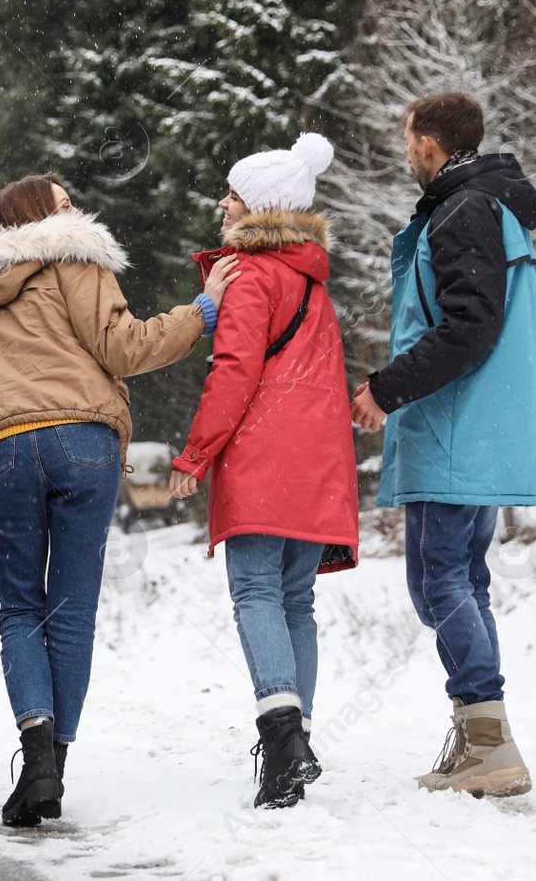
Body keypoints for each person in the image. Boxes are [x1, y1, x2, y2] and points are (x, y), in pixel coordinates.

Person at [0, 175, 239, 826]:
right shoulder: (74, 253)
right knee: (70, 611)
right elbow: (124, 346)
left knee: (19, 606)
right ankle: (52, 768)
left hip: (7, 447)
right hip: (85, 442)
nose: (76, 211)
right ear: (37, 216)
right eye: (63, 203)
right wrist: (203, 311)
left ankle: (35, 752)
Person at [351, 92, 536, 798]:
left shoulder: (462, 211)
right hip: (486, 431)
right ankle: (479, 735)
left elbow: (468, 327)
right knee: (460, 579)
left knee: (439, 582)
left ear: (429, 144)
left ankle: (489, 738)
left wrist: (387, 387)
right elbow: (531, 323)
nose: (405, 150)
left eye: (408, 137)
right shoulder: (497, 208)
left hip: (454, 431)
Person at [167, 133, 359, 809]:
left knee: (254, 591)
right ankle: (297, 737)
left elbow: (234, 370)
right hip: (318, 464)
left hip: (263, 459)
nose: (223, 202)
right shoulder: (313, 283)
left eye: (235, 193)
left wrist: (197, 453)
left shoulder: (251, 276)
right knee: (295, 599)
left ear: (261, 207)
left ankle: (282, 744)